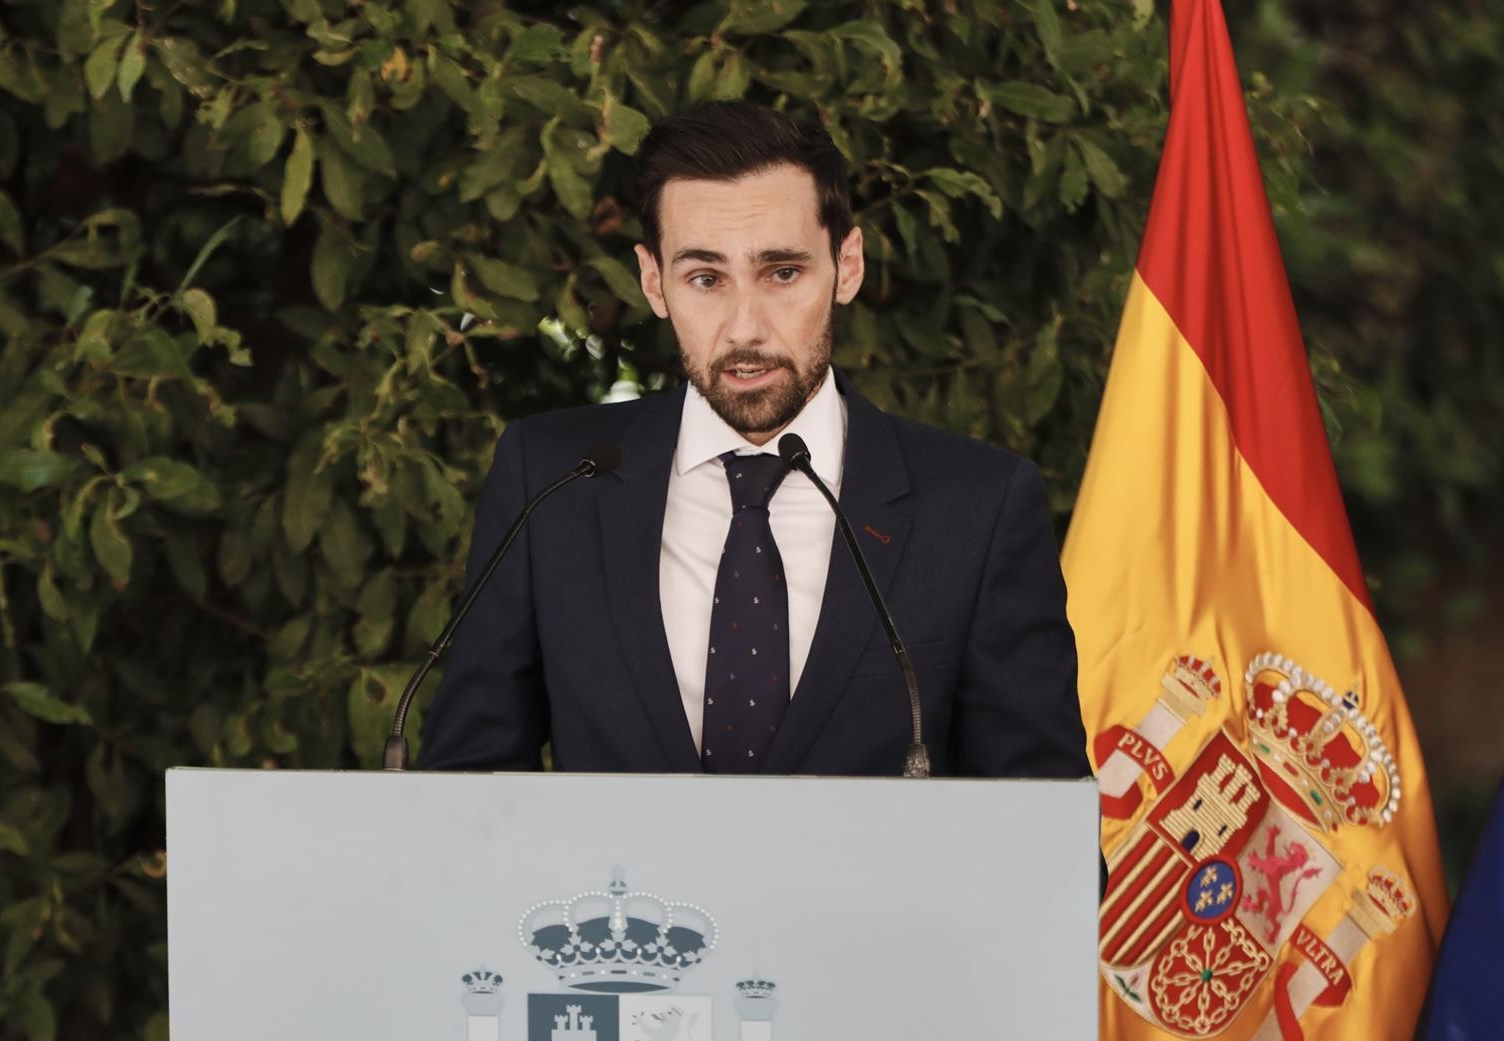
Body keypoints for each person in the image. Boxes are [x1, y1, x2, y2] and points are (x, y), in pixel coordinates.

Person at [420, 101, 1087, 783]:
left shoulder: (977, 507)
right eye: (706, 279)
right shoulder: (550, 481)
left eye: (783, 274)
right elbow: (463, 794)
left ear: (847, 265)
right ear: (654, 281)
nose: (745, 328)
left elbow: (1046, 841)